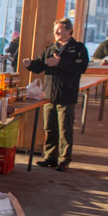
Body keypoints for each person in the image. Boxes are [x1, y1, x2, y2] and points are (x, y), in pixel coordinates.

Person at [22, 18, 90, 172]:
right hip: (49, 95)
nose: (56, 33)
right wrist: (30, 64)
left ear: (69, 30)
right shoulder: (51, 48)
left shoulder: (78, 48)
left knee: (65, 129)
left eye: (59, 30)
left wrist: (60, 62)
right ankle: (50, 156)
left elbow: (81, 67)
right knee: (49, 127)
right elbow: (39, 65)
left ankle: (64, 160)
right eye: (54, 31)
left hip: (66, 95)